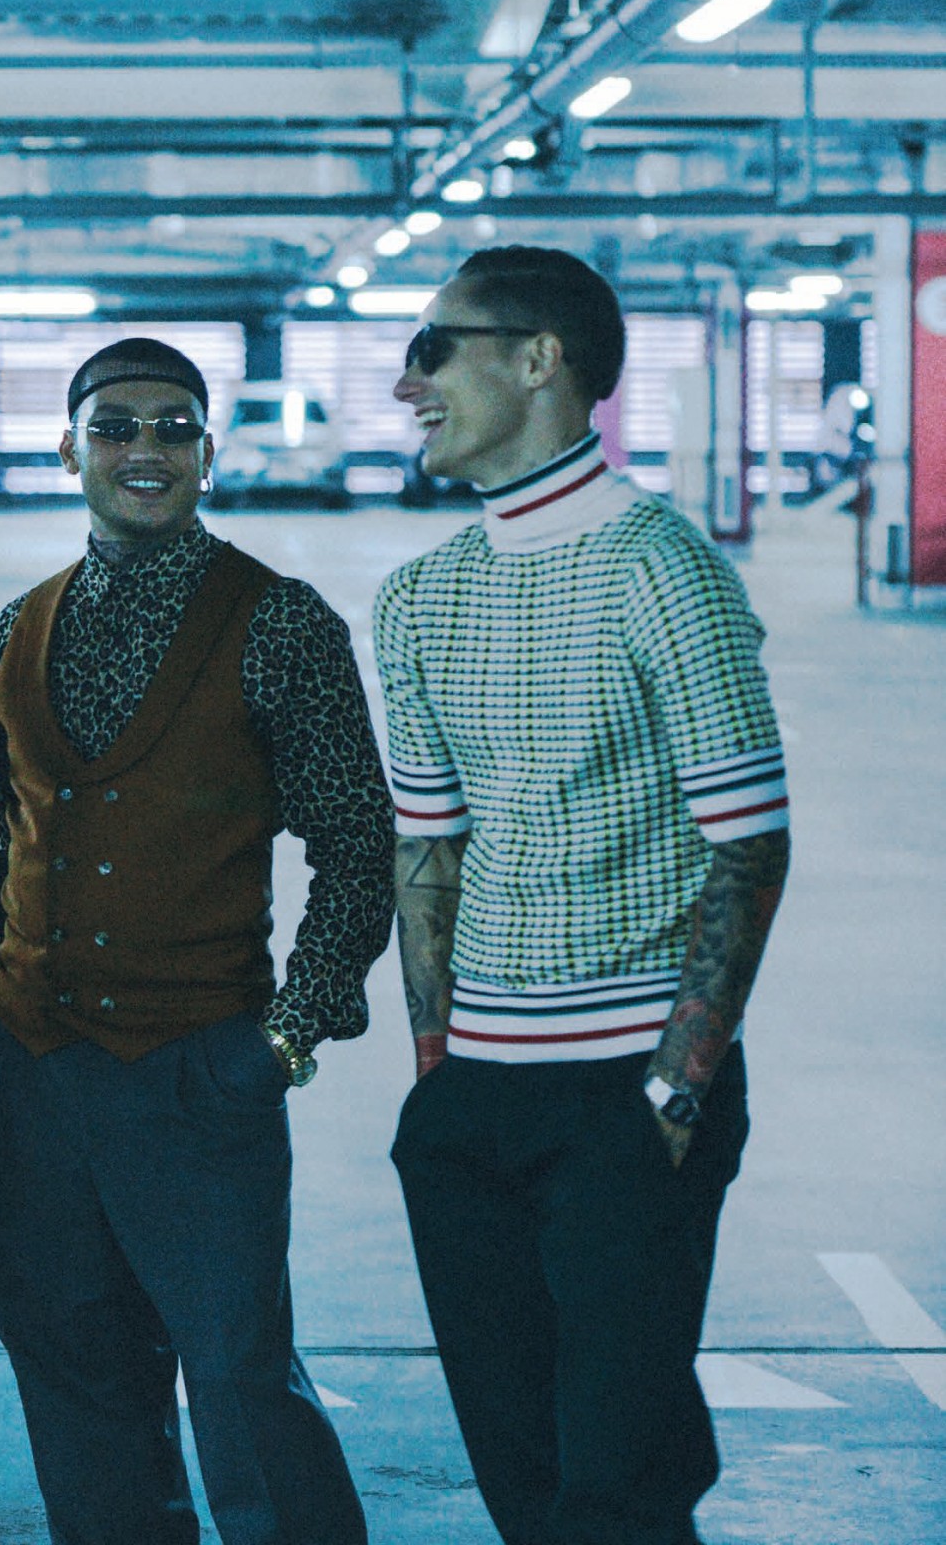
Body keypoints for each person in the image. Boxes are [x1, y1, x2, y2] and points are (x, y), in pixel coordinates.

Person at [0, 336, 395, 1545]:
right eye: (115, 425)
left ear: (207, 452)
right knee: (70, 1361)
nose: (144, 448)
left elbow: (358, 840)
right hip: (30, 1067)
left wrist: (287, 1035)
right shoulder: (18, 626)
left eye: (173, 426)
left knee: (241, 1376)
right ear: (69, 449)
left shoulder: (279, 622)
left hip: (198, 1067)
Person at [375, 246, 791, 1545]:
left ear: (538, 358)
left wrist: (675, 1090)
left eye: (434, 348)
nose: (407, 383)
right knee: (529, 1484)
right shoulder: (419, 596)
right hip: (474, 1105)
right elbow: (428, 852)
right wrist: (440, 1072)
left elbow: (749, 846)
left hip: (628, 1096)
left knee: (619, 1490)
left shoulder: (664, 569)